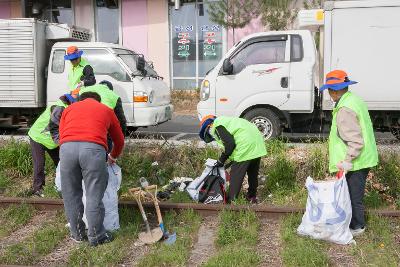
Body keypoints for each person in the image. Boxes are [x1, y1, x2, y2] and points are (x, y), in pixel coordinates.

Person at [59, 92, 124, 246]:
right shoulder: (106, 110)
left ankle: (78, 235)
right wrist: (113, 156)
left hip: (67, 150)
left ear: (80, 100)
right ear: (98, 100)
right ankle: (96, 236)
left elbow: (62, 134)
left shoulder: (69, 109)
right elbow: (119, 140)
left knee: (71, 195)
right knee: (94, 194)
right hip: (93, 150)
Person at [320, 70, 378, 236]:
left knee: (353, 196)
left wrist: (347, 160)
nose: (329, 94)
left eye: (330, 90)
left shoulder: (344, 109)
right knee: (353, 194)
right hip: (362, 157)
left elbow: (355, 140)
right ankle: (354, 224)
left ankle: (357, 227)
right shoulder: (354, 100)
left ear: (335, 90)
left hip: (356, 160)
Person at [199, 115, 267, 203]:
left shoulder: (218, 126)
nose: (212, 136)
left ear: (209, 126)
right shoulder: (227, 121)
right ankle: (252, 197)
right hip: (257, 145)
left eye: (208, 133)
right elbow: (234, 141)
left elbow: (230, 144)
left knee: (236, 175)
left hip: (245, 146)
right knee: (252, 174)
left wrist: (221, 160)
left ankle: (231, 201)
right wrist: (227, 161)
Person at [27, 94, 76, 197]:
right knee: (39, 165)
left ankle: (61, 186)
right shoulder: (59, 108)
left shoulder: (66, 107)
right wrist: (61, 143)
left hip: (51, 141)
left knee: (61, 163)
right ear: (71, 102)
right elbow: (53, 126)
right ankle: (37, 189)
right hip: (38, 138)